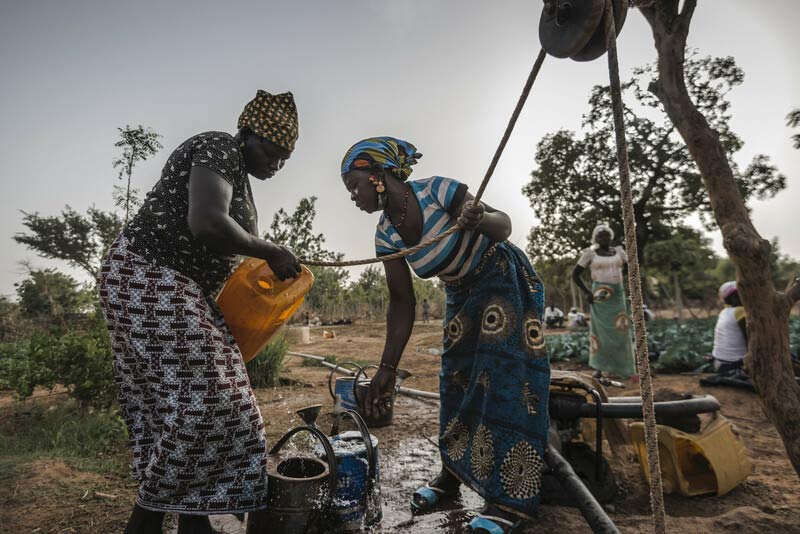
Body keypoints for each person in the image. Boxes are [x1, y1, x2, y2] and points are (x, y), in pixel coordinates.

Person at [97, 90, 301, 534]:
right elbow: (207, 222)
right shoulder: (218, 146)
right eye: (271, 151)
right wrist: (269, 249)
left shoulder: (240, 178)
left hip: (180, 289)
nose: (276, 163)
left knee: (190, 408)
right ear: (247, 133)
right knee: (211, 405)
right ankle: (146, 522)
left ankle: (194, 522)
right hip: (149, 276)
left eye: (285, 158)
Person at [340, 137, 549, 533]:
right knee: (454, 382)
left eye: (354, 185)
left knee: (504, 381)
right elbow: (402, 303)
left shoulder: (437, 190)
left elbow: (503, 226)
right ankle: (451, 475)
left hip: (501, 278)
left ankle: (508, 501)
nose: (353, 195)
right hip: (459, 294)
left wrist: (479, 220)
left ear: (378, 175)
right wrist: (386, 368)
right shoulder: (387, 235)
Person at [572, 224, 636, 379]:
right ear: (596, 238)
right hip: (599, 296)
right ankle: (599, 368)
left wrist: (621, 280)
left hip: (618, 295)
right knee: (599, 332)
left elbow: (629, 268)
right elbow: (575, 275)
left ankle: (625, 368)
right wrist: (587, 292)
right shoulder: (590, 254)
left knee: (621, 330)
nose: (604, 237)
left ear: (611, 236)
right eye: (600, 235)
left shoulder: (619, 252)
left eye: (606, 234)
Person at [710, 281, 748, 374]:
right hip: (735, 366)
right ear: (734, 297)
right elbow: (749, 338)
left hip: (718, 363)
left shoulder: (724, 312)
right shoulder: (740, 311)